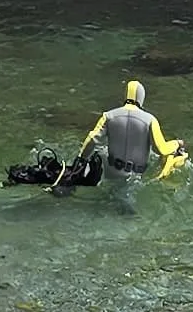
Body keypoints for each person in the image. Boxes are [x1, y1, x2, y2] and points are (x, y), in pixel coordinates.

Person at [77, 79, 182, 213]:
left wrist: (81, 160)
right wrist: (176, 144)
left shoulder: (108, 116)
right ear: (141, 98)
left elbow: (92, 139)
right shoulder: (150, 120)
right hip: (134, 175)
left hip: (110, 171)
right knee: (126, 206)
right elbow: (160, 149)